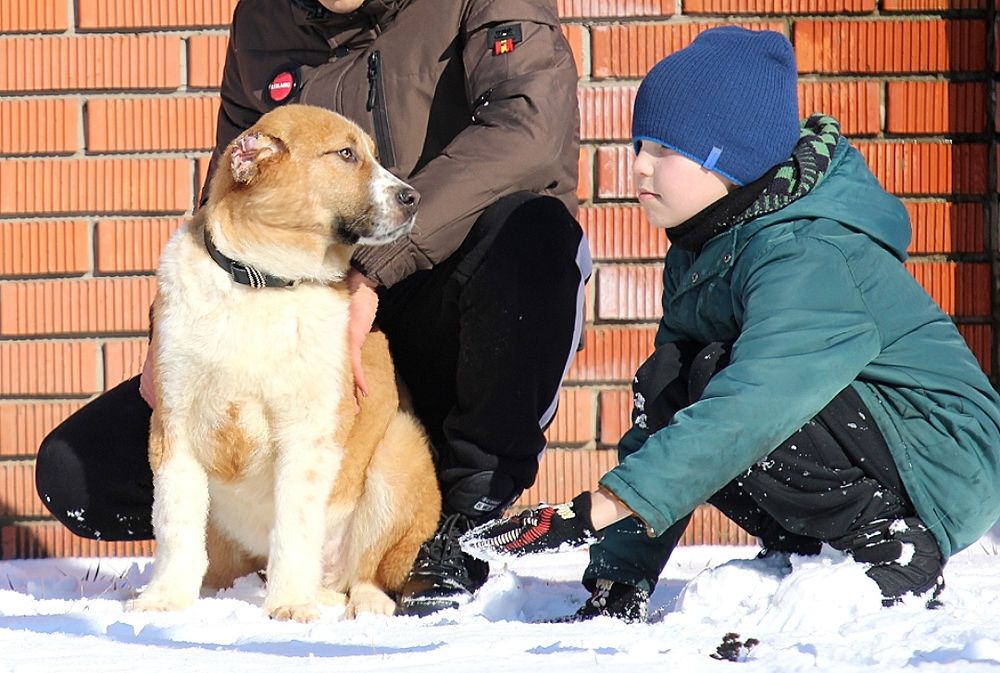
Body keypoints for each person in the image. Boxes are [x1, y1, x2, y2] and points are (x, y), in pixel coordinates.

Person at [35, 0, 591, 616]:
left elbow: (528, 135)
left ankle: (457, 522)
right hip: (307, 300)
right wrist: (170, 327)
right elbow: (234, 185)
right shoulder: (263, 17)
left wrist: (373, 274)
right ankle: (270, 539)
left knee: (536, 234)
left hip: (444, 295)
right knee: (78, 472)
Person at [461, 26, 1000, 622]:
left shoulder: (808, 250)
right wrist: (620, 572)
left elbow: (753, 405)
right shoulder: (707, 244)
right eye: (638, 145)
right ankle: (815, 545)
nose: (638, 168)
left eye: (664, 150)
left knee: (720, 390)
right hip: (858, 434)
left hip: (941, 460)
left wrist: (602, 507)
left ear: (730, 158)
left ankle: (893, 546)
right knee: (673, 378)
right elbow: (667, 415)